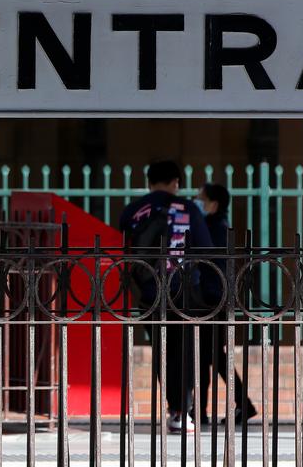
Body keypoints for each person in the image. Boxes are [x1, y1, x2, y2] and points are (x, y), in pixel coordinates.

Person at [118, 160, 213, 433]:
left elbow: (122, 248)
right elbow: (206, 248)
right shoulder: (188, 208)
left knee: (163, 350)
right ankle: (183, 410)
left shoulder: (134, 210)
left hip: (149, 290)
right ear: (175, 183)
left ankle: (175, 410)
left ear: (149, 182)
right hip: (185, 289)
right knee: (186, 350)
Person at [195, 183, 258, 425]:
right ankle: (240, 404)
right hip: (215, 296)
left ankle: (202, 410)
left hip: (211, 297)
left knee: (207, 353)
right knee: (211, 353)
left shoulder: (213, 228)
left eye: (201, 198)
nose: (197, 202)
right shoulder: (216, 226)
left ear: (214, 203)